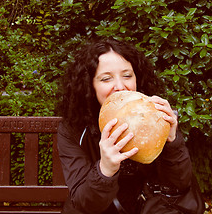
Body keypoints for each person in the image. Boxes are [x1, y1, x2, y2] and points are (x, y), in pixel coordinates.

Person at [57, 38, 199, 214]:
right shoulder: (72, 130)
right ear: (90, 85)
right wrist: (105, 170)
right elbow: (84, 204)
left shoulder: (155, 117)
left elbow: (179, 184)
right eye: (106, 78)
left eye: (127, 75)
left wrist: (172, 141)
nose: (120, 86)